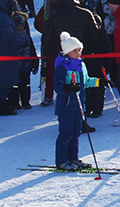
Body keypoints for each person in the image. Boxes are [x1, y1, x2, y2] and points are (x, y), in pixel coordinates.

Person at [53, 32, 98, 171]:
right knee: (66, 134)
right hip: (66, 106)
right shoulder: (63, 67)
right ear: (67, 52)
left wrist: (99, 81)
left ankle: (73, 158)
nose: (78, 52)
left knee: (76, 134)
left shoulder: (81, 65)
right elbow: (57, 85)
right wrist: (67, 88)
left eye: (79, 49)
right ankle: (62, 160)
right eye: (75, 50)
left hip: (79, 106)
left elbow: (85, 82)